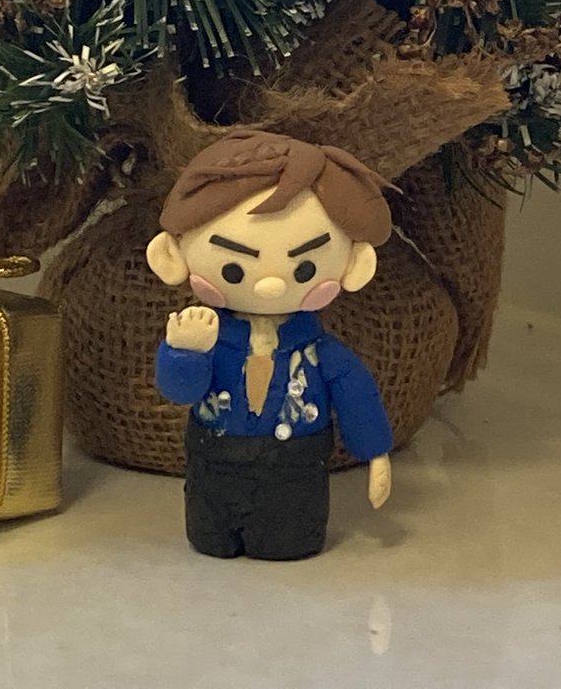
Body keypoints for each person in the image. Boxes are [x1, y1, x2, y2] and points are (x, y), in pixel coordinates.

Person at [146, 129, 394, 560]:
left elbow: (356, 395)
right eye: (236, 268)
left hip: (296, 467)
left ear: (356, 265)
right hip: (214, 459)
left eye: (303, 269)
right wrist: (185, 352)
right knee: (211, 537)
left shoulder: (322, 353)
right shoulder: (208, 336)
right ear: (171, 256)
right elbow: (181, 392)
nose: (271, 285)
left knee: (288, 539)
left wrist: (375, 454)